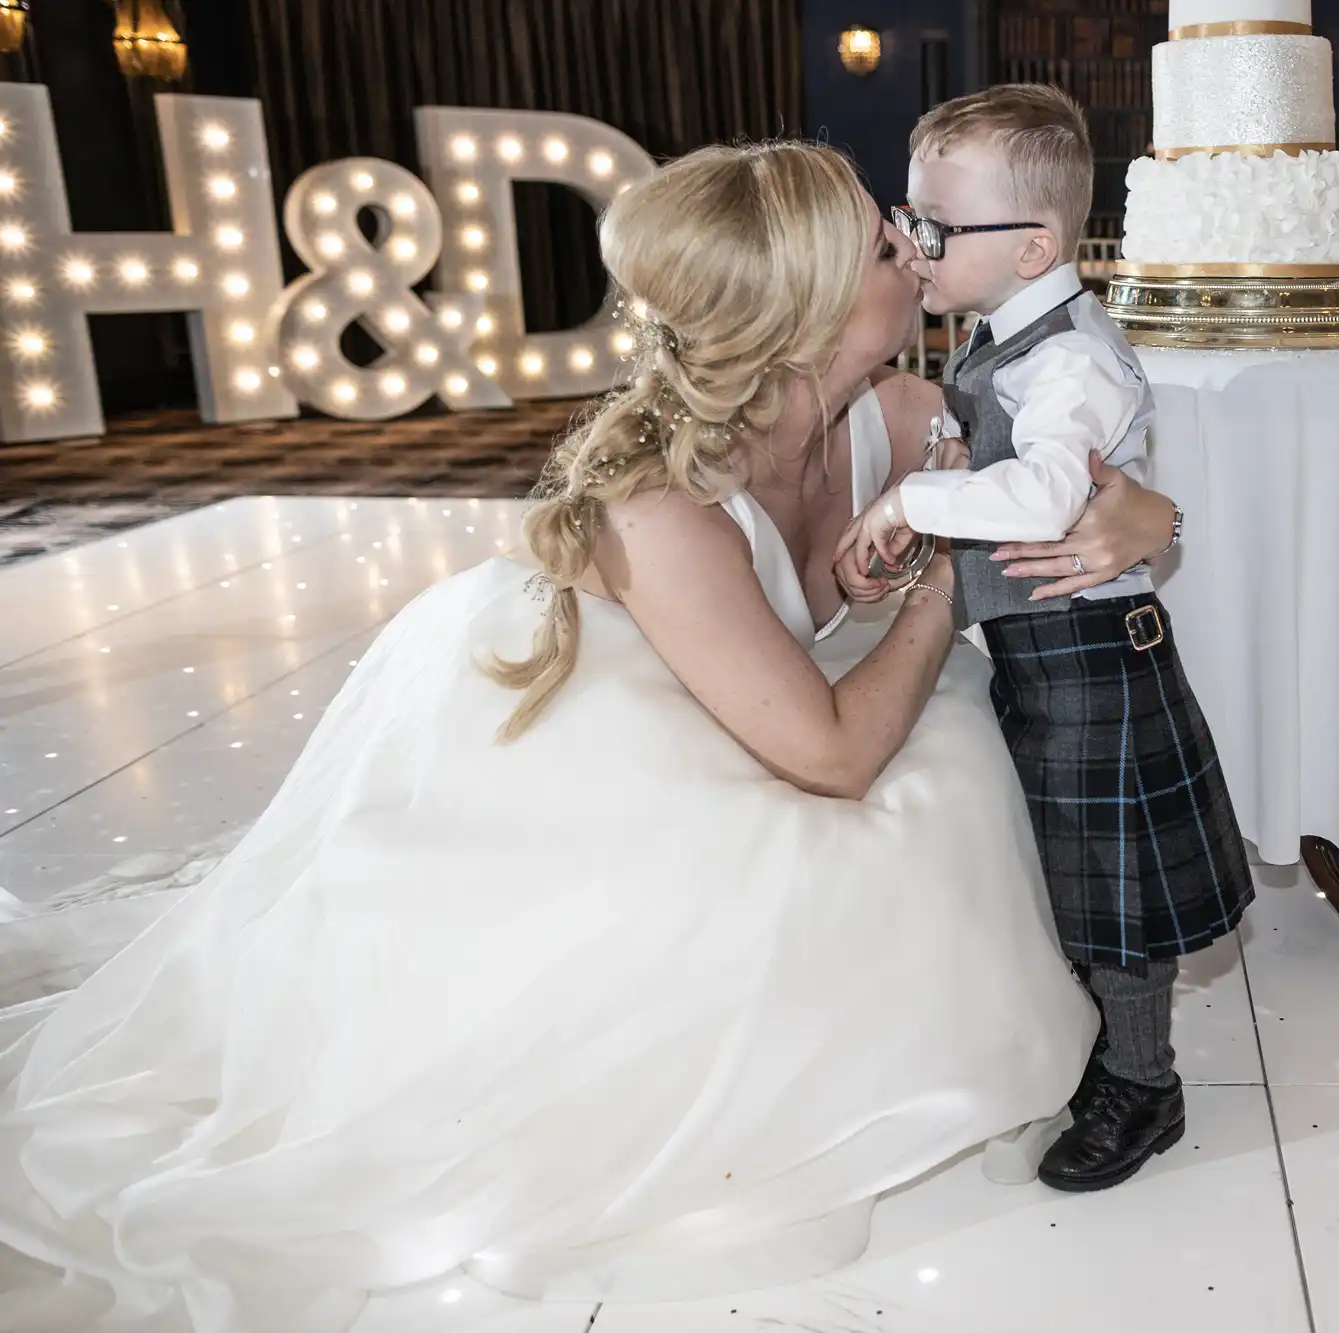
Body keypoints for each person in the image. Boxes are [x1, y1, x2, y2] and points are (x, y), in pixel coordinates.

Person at [0, 141, 1182, 1333]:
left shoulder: (909, 411)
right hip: (567, 743)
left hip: (768, 700)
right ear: (809, 306)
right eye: (888, 243)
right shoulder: (661, 503)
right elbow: (829, 755)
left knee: (955, 774)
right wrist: (943, 586)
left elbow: (1086, 473)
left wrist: (1142, 513)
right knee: (811, 858)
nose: (917, 248)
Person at [837, 86, 1255, 1194]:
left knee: (1111, 890)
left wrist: (913, 502)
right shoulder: (1001, 331)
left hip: (1091, 657)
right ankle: (1099, 1051)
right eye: (908, 220)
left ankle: (1143, 1083)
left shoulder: (1064, 361)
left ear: (1033, 246)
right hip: (1041, 649)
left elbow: (1038, 496)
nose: (911, 247)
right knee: (1067, 873)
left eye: (933, 227)